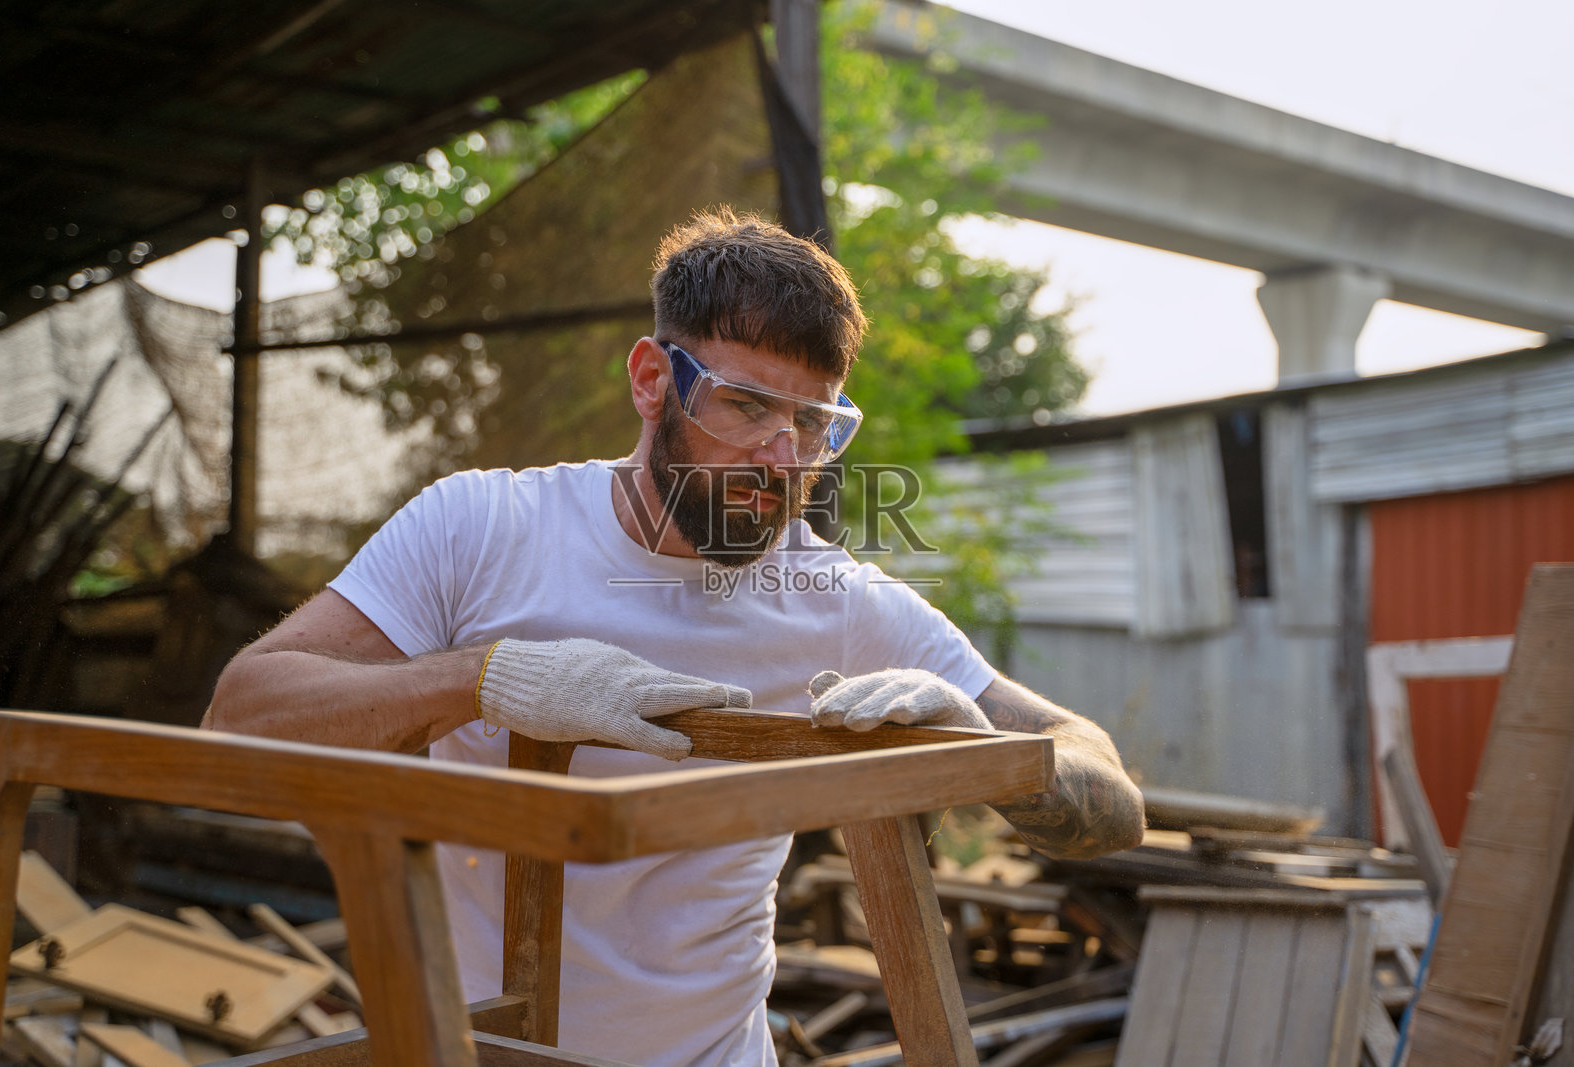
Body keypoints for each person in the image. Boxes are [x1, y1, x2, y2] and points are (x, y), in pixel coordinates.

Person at [204, 208, 1144, 1067]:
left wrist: (985, 754)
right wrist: (485, 677)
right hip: (477, 1052)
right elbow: (240, 721)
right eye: (747, 405)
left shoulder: (839, 602)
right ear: (653, 381)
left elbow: (1110, 794)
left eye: (814, 422)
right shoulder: (480, 530)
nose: (783, 457)